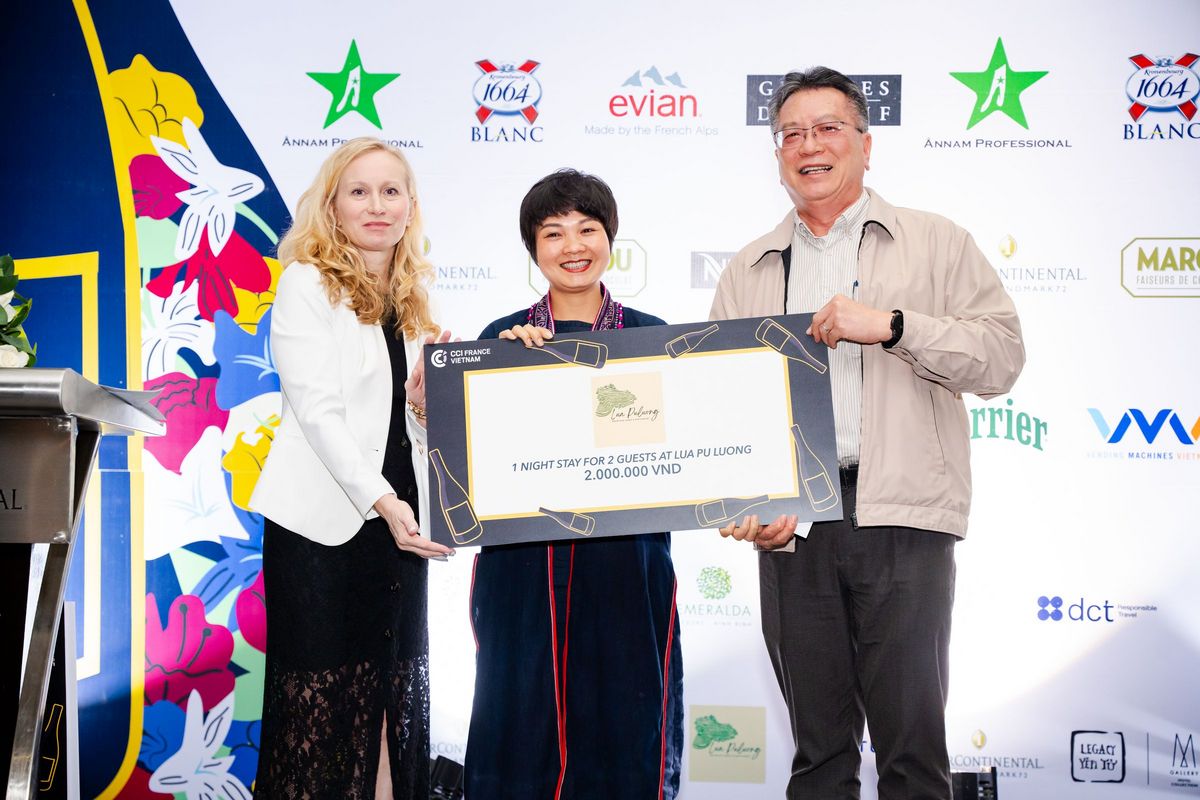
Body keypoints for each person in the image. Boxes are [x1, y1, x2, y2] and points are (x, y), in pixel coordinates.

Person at [710, 68, 1024, 800]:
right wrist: (754, 501)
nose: (809, 145)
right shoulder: (748, 267)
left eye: (828, 128)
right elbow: (723, 410)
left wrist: (893, 326)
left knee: (912, 754)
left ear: (866, 144)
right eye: (792, 134)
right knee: (818, 758)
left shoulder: (938, 242)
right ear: (777, 154)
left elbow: (1001, 358)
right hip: (795, 527)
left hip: (903, 518)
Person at [464, 169, 683, 800]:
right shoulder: (501, 338)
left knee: (626, 716)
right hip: (522, 564)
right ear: (533, 248)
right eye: (553, 233)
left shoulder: (651, 335)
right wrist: (508, 367)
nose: (573, 246)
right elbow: (473, 461)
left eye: (587, 229)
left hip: (626, 559)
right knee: (517, 714)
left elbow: (678, 455)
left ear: (610, 237)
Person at [249, 137, 453, 798]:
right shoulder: (306, 283)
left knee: (393, 702)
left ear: (410, 206)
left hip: (400, 533)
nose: (376, 205)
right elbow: (318, 411)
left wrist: (420, 406)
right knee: (319, 717)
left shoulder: (414, 296)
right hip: (323, 533)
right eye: (359, 191)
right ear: (332, 205)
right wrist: (384, 502)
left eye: (391, 191)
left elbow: (400, 424)